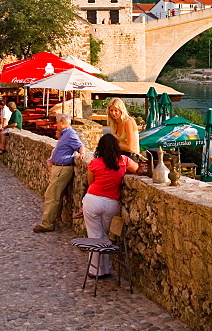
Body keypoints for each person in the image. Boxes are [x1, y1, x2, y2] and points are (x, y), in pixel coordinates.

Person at [82, 133, 140, 277]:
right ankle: (106, 268)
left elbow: (90, 182)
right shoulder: (123, 161)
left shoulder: (94, 163)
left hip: (93, 200)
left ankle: (96, 271)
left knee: (95, 236)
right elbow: (138, 169)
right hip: (111, 203)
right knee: (105, 236)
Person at [34, 113, 85, 233]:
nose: (55, 124)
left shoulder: (70, 133)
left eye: (57, 122)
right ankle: (54, 218)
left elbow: (80, 146)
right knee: (55, 195)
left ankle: (47, 224)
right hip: (59, 167)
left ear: (63, 123)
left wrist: (82, 153)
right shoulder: (64, 134)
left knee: (51, 196)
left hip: (63, 168)